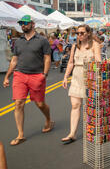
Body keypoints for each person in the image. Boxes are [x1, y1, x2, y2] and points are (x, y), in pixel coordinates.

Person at [2, 15, 54, 146]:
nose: (23, 25)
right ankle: (20, 134)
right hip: (20, 74)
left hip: (37, 75)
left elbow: (47, 58)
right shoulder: (18, 41)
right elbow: (14, 60)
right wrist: (7, 76)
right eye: (21, 23)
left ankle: (48, 119)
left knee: (40, 104)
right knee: (19, 103)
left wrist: (44, 74)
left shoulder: (42, 40)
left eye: (25, 23)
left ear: (32, 24)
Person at [62, 25, 101, 144]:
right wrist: (65, 77)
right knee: (75, 105)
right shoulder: (75, 46)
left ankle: (94, 131)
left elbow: (99, 61)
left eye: (82, 33)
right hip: (76, 76)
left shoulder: (95, 45)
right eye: (77, 33)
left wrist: (97, 75)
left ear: (88, 33)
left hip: (90, 76)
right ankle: (72, 133)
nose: (79, 35)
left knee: (91, 107)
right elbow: (70, 63)